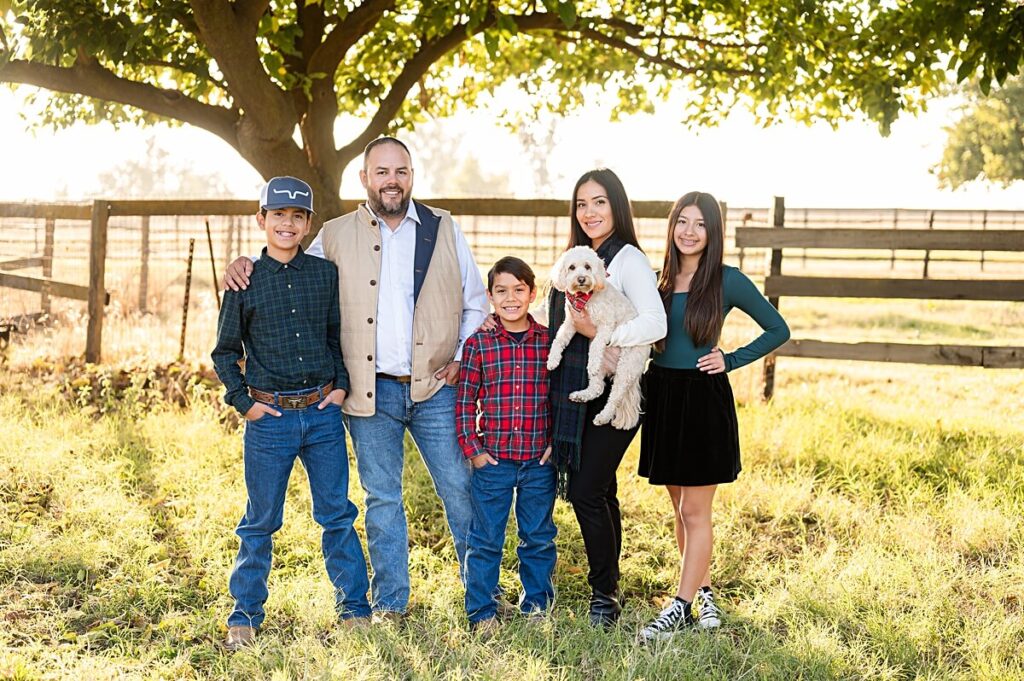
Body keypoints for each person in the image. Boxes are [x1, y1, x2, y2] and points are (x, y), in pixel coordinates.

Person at [223, 138, 489, 621]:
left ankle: (482, 602)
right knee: (382, 496)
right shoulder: (334, 232)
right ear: (364, 178)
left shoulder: (442, 228)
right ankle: (389, 603)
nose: (392, 179)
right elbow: (288, 260)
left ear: (412, 176)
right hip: (372, 390)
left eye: (401, 171)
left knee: (459, 490)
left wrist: (462, 359)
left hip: (434, 385)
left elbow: (475, 301)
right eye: (382, 171)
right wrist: (243, 262)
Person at [212, 176, 370, 651]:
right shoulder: (245, 281)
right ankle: (244, 613)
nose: (286, 223)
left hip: (322, 415)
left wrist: (341, 385)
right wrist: (244, 403)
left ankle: (354, 608)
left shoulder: (324, 275)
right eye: (277, 214)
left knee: (337, 513)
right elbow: (224, 352)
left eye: (297, 216)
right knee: (260, 519)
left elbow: (333, 336)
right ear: (261, 220)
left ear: (307, 225)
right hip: (271, 420)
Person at [635, 191, 789, 643]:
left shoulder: (727, 280)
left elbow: (779, 328)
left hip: (702, 398)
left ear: (713, 232)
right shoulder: (657, 280)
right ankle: (701, 592)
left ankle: (679, 607)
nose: (689, 231)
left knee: (695, 510)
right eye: (682, 221)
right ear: (672, 227)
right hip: (662, 395)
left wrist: (732, 359)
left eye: (700, 224)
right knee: (679, 511)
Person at [548, 168, 667, 627]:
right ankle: (610, 582)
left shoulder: (628, 259)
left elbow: (655, 323)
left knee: (585, 490)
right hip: (577, 390)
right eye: (582, 204)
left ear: (617, 205)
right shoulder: (576, 258)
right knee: (601, 488)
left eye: (599, 201)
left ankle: (604, 595)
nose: (590, 212)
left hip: (620, 391)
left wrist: (604, 338)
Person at [456, 256, 556, 632]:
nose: (510, 298)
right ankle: (481, 611)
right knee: (484, 539)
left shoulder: (548, 342)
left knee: (538, 538)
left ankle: (536, 609)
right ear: (490, 295)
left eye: (519, 290)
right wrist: (474, 451)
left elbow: (559, 397)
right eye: (502, 291)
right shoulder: (479, 344)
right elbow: (465, 401)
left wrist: (554, 445)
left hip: (537, 462)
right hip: (493, 462)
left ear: (532, 294)